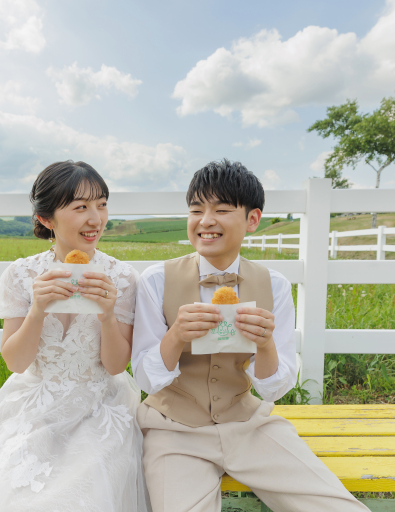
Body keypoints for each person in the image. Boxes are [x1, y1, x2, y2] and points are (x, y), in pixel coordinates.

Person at [0, 160, 150, 512]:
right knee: (6, 492)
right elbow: (17, 363)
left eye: (102, 204)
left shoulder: (122, 277)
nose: (96, 219)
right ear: (46, 219)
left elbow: (114, 366)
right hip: (34, 405)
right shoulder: (20, 275)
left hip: (99, 406)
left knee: (81, 494)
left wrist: (107, 315)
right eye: (81, 207)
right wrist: (37, 309)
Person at [131, 160, 368, 512]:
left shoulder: (274, 285)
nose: (206, 220)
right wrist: (176, 335)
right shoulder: (155, 280)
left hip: (250, 425)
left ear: (252, 220)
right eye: (196, 209)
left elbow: (274, 388)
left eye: (222, 210)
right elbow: (145, 378)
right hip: (173, 431)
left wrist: (265, 343)